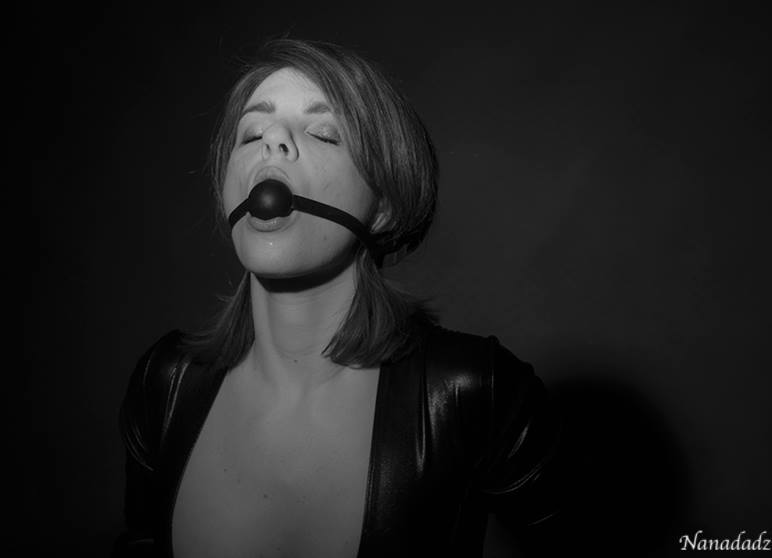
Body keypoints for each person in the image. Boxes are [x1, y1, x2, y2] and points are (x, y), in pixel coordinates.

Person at [114, 38, 561, 558]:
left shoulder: (474, 391)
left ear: (384, 205)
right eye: (251, 133)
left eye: (324, 133)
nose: (272, 141)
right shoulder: (165, 382)